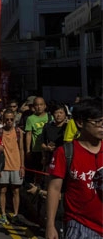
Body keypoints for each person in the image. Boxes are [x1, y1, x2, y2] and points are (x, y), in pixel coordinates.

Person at [45, 97, 103, 239]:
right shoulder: (65, 152)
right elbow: (54, 189)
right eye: (97, 122)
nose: (102, 127)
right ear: (80, 123)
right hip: (80, 225)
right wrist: (50, 225)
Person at [0, 109, 24, 226]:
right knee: (2, 190)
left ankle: (15, 214)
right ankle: (3, 214)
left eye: (11, 119)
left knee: (16, 191)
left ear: (14, 120)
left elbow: (22, 149)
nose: (9, 121)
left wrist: (22, 166)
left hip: (16, 165)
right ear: (3, 120)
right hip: (4, 166)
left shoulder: (18, 132)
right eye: (6, 119)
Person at [25, 97, 51, 184]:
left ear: (45, 106)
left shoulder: (50, 117)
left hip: (49, 149)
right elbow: (29, 134)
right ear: (33, 107)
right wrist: (28, 150)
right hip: (37, 149)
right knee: (38, 172)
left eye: (41, 105)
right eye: (36, 105)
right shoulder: (30, 119)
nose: (39, 107)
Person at [39, 103, 68, 171]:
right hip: (51, 158)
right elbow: (42, 142)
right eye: (56, 113)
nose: (58, 115)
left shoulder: (68, 127)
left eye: (61, 112)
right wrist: (46, 148)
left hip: (66, 158)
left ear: (65, 114)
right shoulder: (47, 127)